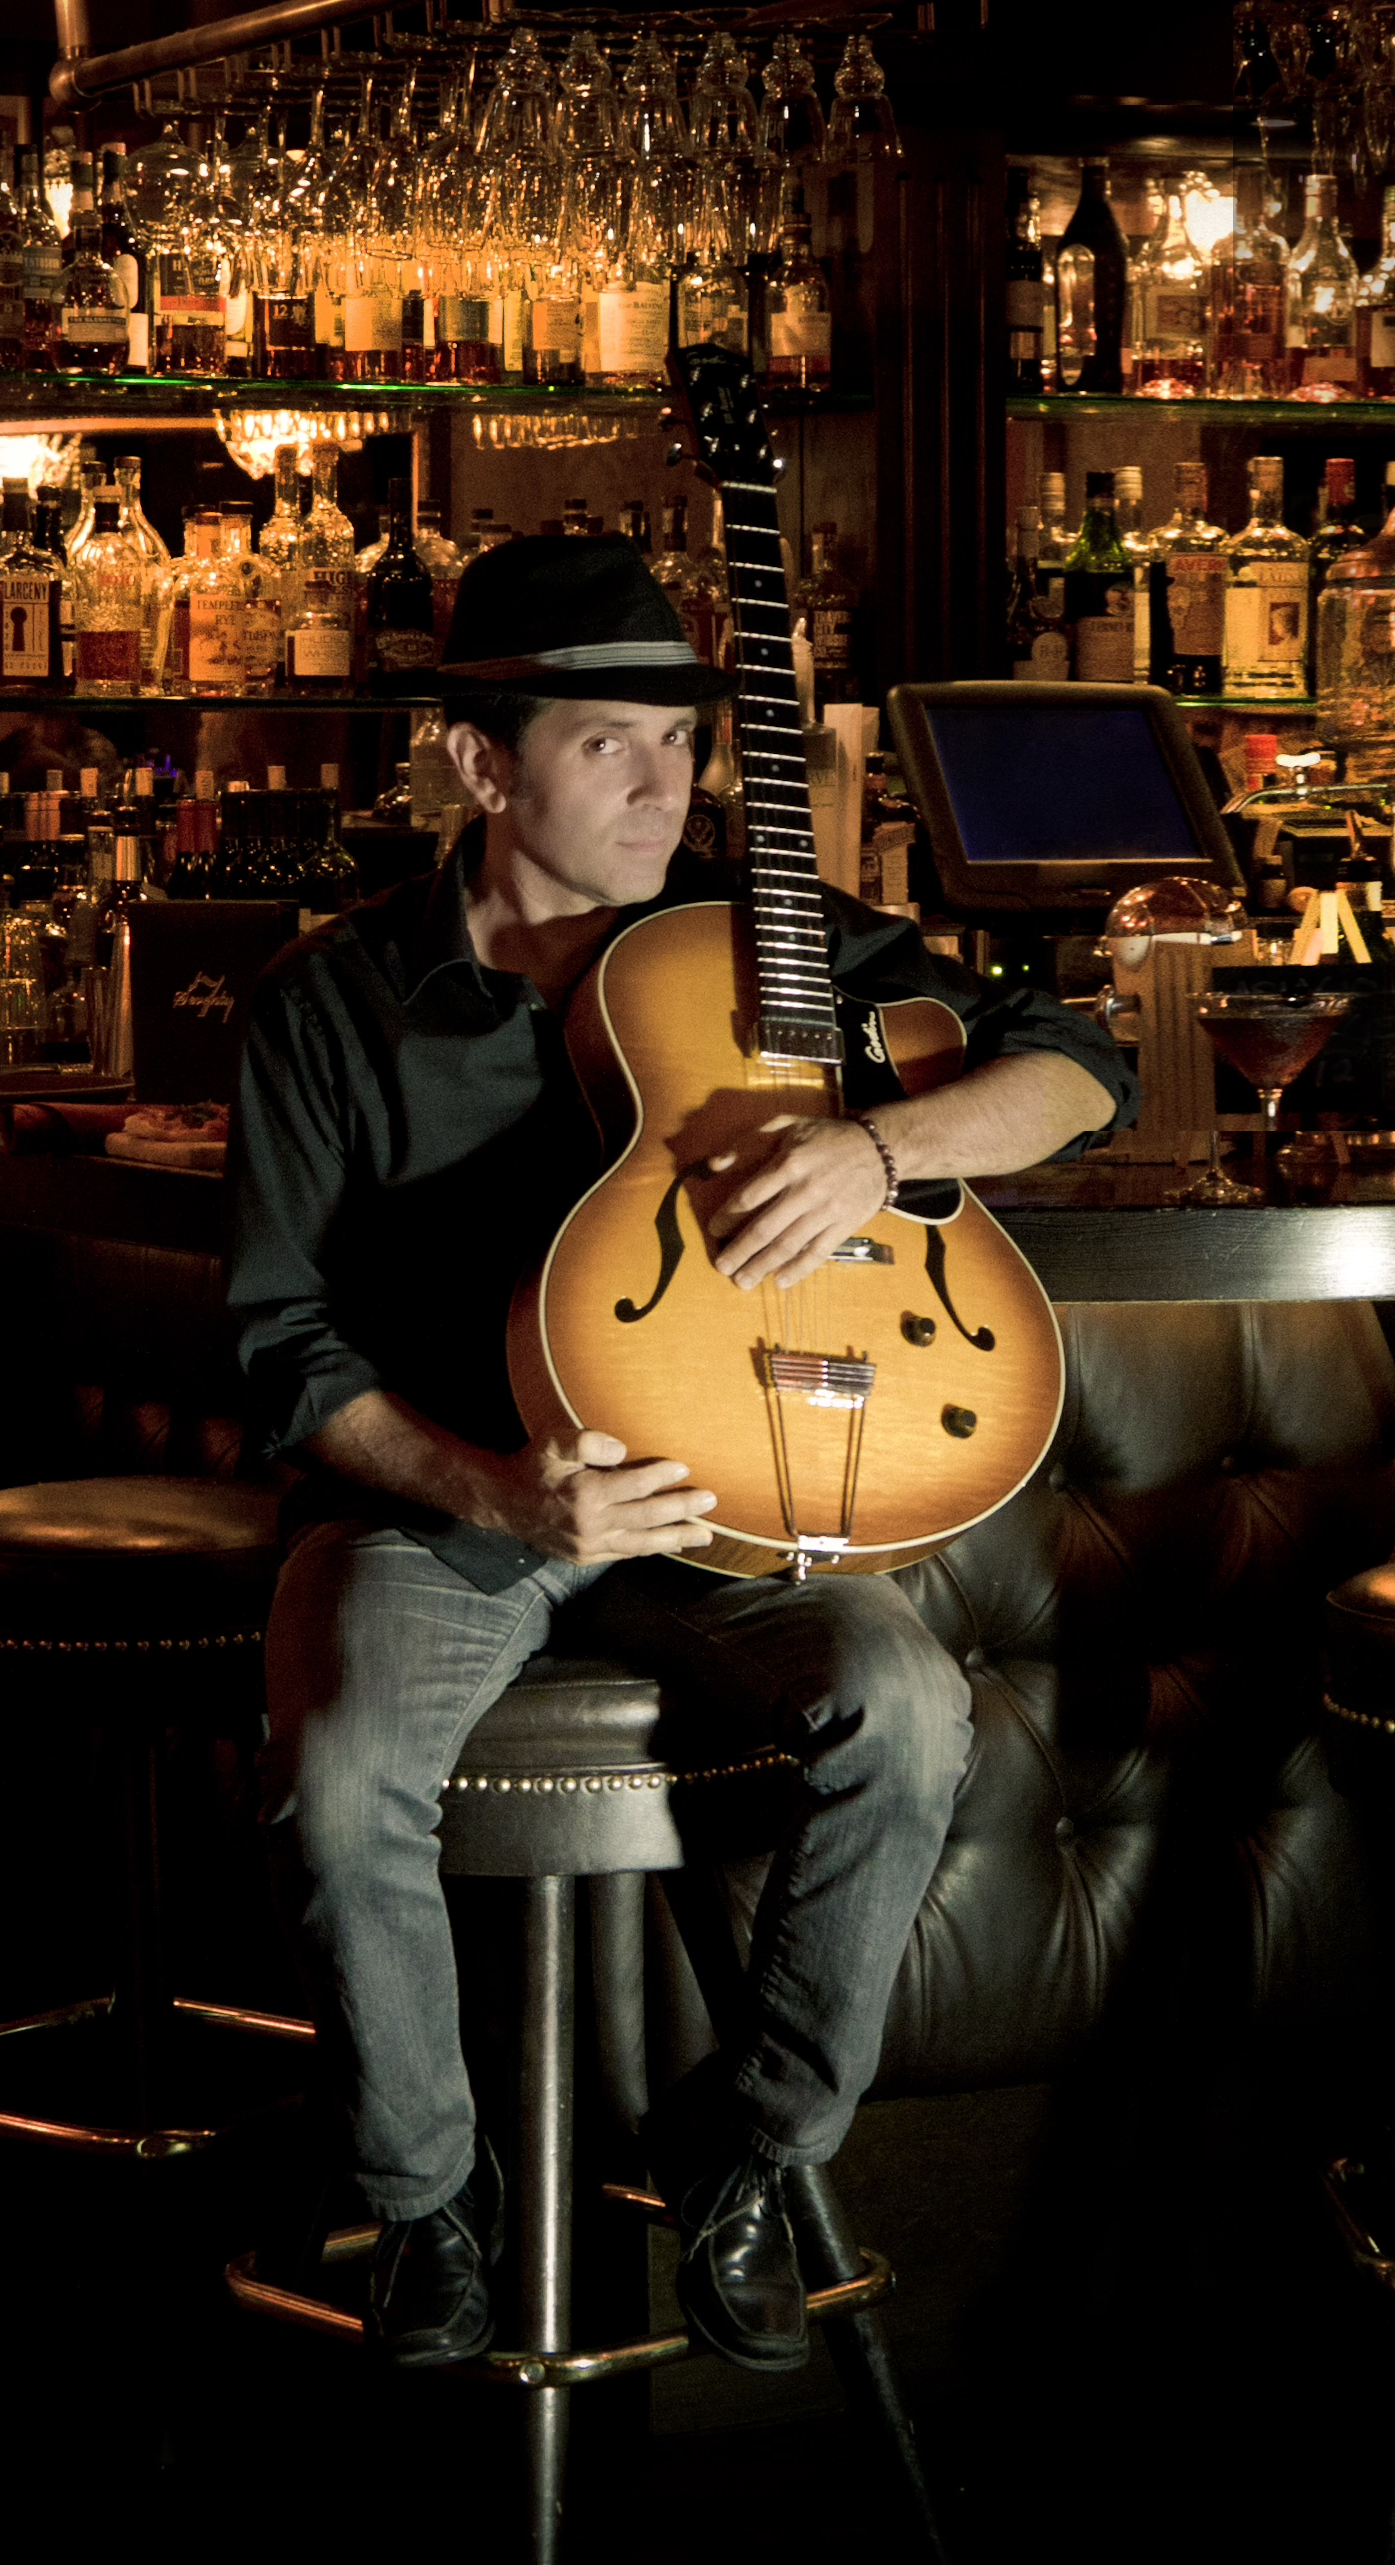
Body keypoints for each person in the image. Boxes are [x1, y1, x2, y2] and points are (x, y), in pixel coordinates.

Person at [229, 532, 1133, 2371]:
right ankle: (426, 2208)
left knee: (911, 1708)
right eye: (609, 749)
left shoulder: (759, 936)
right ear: (484, 764)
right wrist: (492, 1486)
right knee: (341, 1783)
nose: (668, 787)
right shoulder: (327, 1001)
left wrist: (877, 1150)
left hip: (728, 1510)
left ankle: (747, 2150)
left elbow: (1079, 1058)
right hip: (451, 1508)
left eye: (682, 742)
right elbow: (280, 1351)